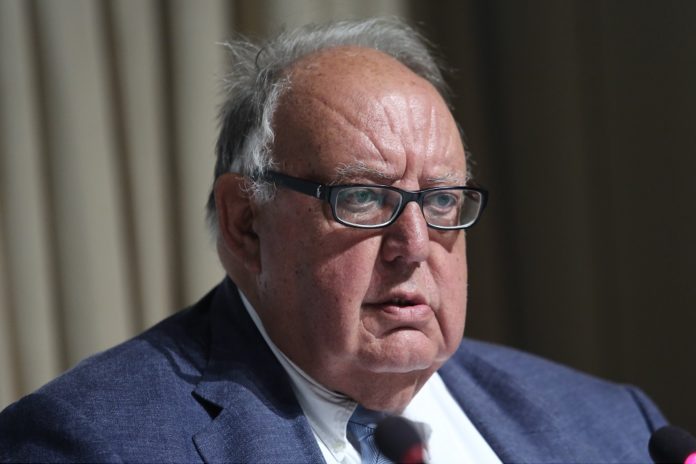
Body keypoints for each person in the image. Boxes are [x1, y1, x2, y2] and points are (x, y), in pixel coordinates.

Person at [0, 17, 665, 463]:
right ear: (246, 222)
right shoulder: (88, 444)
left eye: (440, 200)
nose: (413, 244)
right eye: (364, 197)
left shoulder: (621, 430)